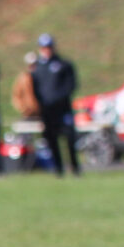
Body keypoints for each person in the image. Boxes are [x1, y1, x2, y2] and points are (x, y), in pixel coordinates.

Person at [33, 35, 80, 176]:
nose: (46, 50)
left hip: (63, 109)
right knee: (51, 140)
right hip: (47, 111)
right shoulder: (37, 67)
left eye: (49, 47)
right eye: (44, 48)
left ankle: (75, 168)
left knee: (69, 139)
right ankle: (58, 169)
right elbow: (35, 88)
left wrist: (58, 99)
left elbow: (71, 85)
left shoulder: (63, 64)